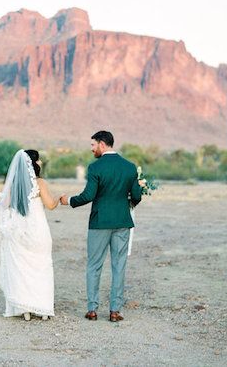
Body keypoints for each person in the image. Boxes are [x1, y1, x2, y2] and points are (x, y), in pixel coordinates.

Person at [59, 131, 142, 322]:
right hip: (122, 222)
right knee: (119, 266)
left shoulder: (96, 167)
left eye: (93, 145)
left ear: (102, 144)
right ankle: (115, 311)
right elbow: (137, 196)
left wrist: (68, 200)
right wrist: (128, 203)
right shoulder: (129, 167)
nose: (92, 149)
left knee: (94, 265)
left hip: (99, 223)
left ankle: (92, 310)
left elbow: (88, 196)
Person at [0, 149, 59, 321]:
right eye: (39, 159)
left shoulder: (14, 184)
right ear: (32, 163)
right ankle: (42, 309)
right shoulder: (40, 183)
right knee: (41, 267)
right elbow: (50, 205)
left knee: (22, 269)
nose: (41, 162)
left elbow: (4, 204)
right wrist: (59, 198)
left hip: (19, 232)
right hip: (38, 231)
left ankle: (24, 308)